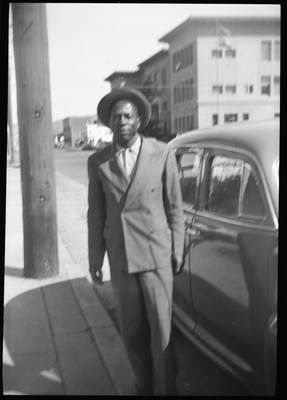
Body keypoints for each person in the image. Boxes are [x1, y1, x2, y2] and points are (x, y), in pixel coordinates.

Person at [87, 87, 185, 396]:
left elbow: (175, 207)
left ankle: (168, 390)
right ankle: (144, 386)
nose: (122, 121)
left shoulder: (162, 151)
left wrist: (177, 251)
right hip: (122, 259)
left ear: (139, 120)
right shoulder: (98, 161)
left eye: (128, 115)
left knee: (163, 335)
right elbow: (96, 215)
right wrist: (95, 258)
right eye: (116, 117)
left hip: (157, 258)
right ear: (109, 123)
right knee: (132, 334)